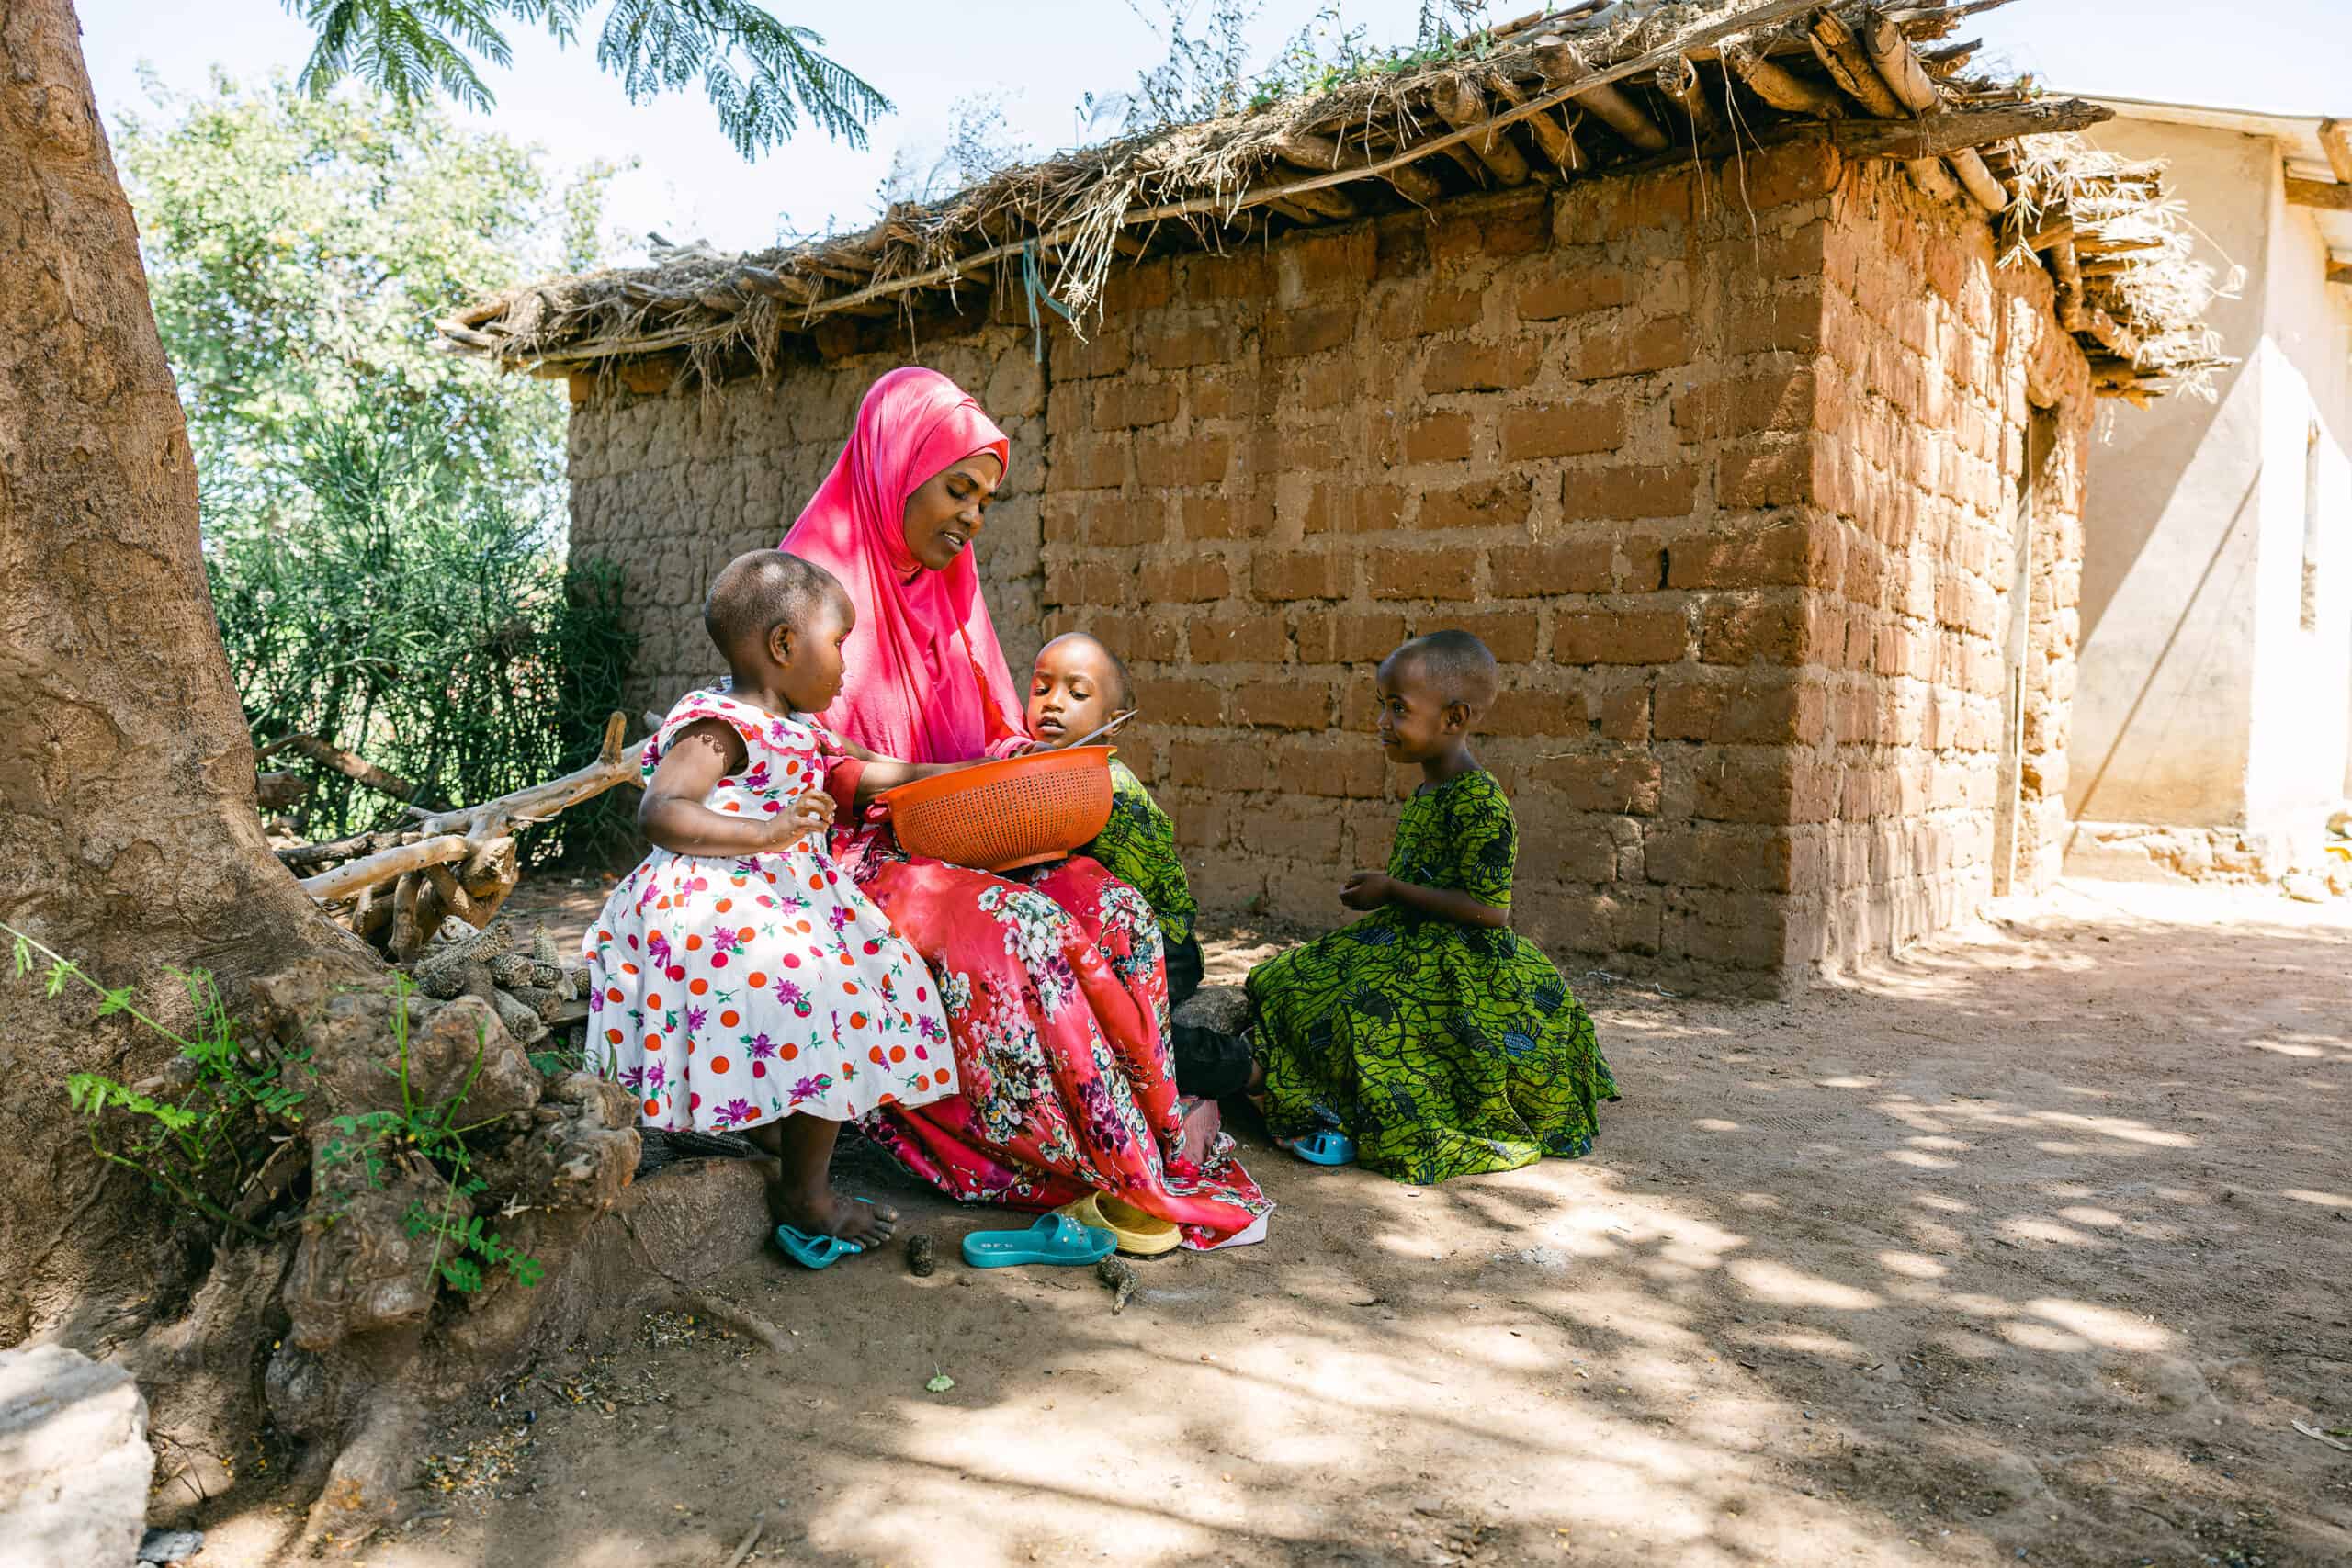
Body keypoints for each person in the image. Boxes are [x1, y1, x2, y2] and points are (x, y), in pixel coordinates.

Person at [780, 367, 1269, 1248]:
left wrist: (1034, 764)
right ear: (897, 468)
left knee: (1112, 907)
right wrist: (920, 776)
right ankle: (1074, 1161)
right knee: (1021, 930)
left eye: (986, 500)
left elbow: (990, 732)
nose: (972, 516)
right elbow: (810, 770)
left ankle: (1142, 1132)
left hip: (958, 835)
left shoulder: (951, 589)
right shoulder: (810, 589)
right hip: (850, 860)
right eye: (958, 488)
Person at [582, 550, 967, 1254]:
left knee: (879, 977)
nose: (848, 665)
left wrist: (980, 768)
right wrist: (764, 831)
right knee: (826, 992)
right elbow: (661, 811)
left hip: (785, 896)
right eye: (839, 644)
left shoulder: (804, 726)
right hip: (713, 895)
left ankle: (775, 1133)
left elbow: (878, 774)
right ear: (786, 645)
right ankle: (806, 1193)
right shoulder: (717, 722)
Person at [1243, 631, 1619, 1185]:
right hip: (1408, 939)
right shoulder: (1429, 792)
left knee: (1362, 1017)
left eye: (1398, 709)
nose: (1382, 721)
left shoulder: (1480, 801)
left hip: (1461, 961)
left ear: (1454, 718)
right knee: (1285, 982)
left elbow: (1491, 911)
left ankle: (1334, 1111)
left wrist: (1391, 891)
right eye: (1382, 705)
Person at [1020, 631, 1253, 1101]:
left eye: (1077, 693)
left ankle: (1244, 1071)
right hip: (1098, 944)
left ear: (1114, 724)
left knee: (1124, 1038)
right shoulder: (1039, 774)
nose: (1054, 704)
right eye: (1042, 689)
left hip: (1162, 948)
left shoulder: (1105, 786)